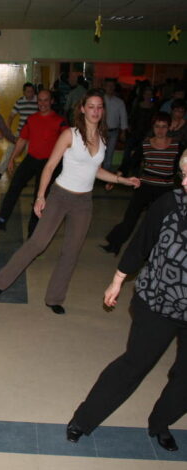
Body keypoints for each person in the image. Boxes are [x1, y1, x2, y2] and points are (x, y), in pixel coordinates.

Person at [67, 150, 187, 452]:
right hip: (158, 302)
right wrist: (118, 279)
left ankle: (161, 422)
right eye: (184, 175)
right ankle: (84, 418)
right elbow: (141, 243)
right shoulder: (170, 203)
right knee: (134, 364)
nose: (185, 183)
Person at [0, 89, 140, 314]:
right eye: (91, 107)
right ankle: (0, 283)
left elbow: (95, 170)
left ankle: (54, 298)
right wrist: (40, 196)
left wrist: (121, 179)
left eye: (99, 107)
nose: (96, 111)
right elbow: (49, 167)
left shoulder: (103, 138)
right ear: (82, 109)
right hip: (60, 196)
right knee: (37, 243)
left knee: (71, 251)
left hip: (84, 202)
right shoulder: (70, 134)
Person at [0, 90, 68, 235]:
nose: (42, 103)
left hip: (49, 164)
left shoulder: (60, 121)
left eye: (46, 100)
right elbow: (22, 140)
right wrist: (12, 159)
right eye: (40, 100)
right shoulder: (31, 119)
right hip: (31, 159)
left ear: (52, 101)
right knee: (14, 187)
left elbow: (68, 143)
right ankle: (1, 219)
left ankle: (33, 231)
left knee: (40, 195)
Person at [101, 112, 180, 256]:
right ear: (153, 127)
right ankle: (114, 243)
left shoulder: (176, 145)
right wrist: (115, 178)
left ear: (169, 127)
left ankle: (154, 253)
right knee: (130, 219)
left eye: (164, 127)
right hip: (145, 186)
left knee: (161, 223)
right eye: (157, 126)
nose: (160, 130)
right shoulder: (146, 144)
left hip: (165, 189)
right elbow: (130, 162)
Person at [0, 82, 38, 179]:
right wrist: (8, 131)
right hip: (21, 132)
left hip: (34, 134)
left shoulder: (38, 101)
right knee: (10, 150)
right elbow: (11, 116)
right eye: (28, 91)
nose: (30, 93)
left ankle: (28, 174)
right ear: (24, 92)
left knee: (30, 154)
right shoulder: (20, 102)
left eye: (32, 91)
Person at [102, 79, 128, 172]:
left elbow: (123, 117)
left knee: (110, 153)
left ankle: (105, 175)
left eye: (112, 86)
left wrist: (123, 132)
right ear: (104, 87)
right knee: (99, 153)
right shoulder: (100, 100)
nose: (110, 88)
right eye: (108, 85)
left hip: (114, 131)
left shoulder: (119, 102)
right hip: (101, 131)